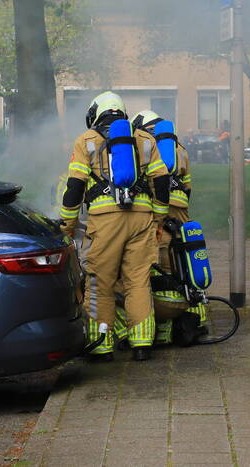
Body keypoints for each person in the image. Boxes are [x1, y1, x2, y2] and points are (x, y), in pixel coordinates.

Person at [59, 92, 170, 362]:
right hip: (142, 218)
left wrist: (68, 225)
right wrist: (159, 220)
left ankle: (101, 346)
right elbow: (162, 182)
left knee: (99, 283)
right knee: (138, 281)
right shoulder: (145, 139)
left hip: (105, 221)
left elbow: (74, 187)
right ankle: (142, 344)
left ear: (96, 114)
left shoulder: (86, 141)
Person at [130, 110, 194, 346]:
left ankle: (162, 329)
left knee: (160, 269)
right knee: (185, 265)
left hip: (161, 211)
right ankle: (196, 315)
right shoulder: (181, 149)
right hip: (182, 214)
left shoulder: (146, 147)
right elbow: (188, 186)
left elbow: (149, 182)